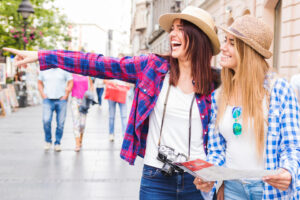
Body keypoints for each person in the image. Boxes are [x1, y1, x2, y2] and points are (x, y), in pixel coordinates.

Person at [4, 6, 222, 199]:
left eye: (180, 28)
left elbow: (222, 140)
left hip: (197, 180)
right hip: (156, 178)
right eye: (172, 28)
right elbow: (97, 64)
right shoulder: (152, 68)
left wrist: (213, 175)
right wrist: (45, 56)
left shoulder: (217, 82)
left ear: (198, 37)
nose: (172, 33)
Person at [193, 15, 300, 200]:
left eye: (232, 43)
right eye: (225, 41)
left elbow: (291, 145)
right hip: (232, 190)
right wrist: (208, 176)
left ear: (249, 51)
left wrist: (287, 171)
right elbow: (217, 151)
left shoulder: (279, 90)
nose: (223, 48)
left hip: (268, 191)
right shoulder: (219, 96)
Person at [37, 68, 73, 151]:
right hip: (48, 100)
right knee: (46, 120)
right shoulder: (44, 70)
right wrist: (43, 94)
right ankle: (48, 140)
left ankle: (57, 143)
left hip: (61, 99)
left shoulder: (64, 69)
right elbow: (39, 82)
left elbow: (70, 81)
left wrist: (66, 94)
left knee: (60, 123)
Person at [71, 74, 94, 152]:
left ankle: (81, 138)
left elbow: (91, 86)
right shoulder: (72, 74)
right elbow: (69, 85)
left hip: (84, 101)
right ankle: (77, 143)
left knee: (82, 124)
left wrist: (89, 94)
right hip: (75, 99)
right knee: (76, 122)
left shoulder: (87, 75)